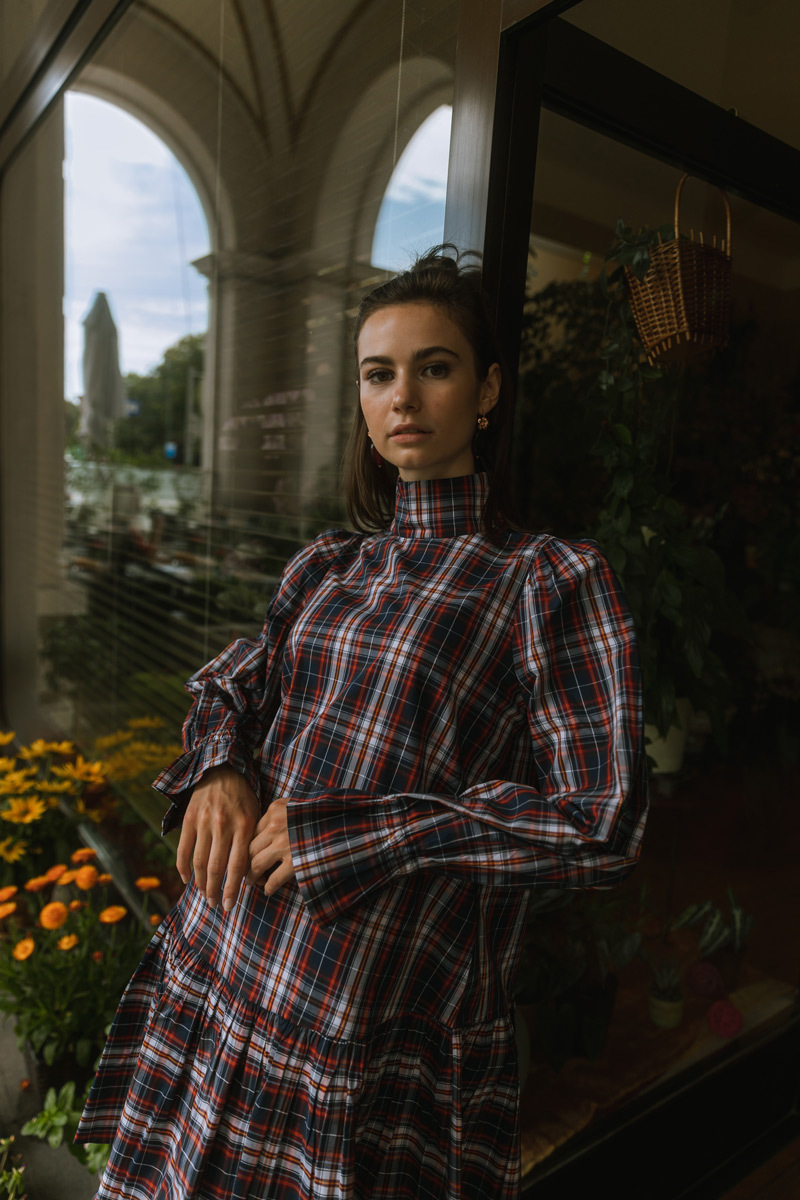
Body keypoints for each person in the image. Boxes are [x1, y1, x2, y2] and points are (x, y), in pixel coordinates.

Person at [77, 246, 648, 1200]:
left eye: (435, 367)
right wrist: (219, 771)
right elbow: (228, 688)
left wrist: (368, 834)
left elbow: (601, 822)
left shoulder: (544, 580)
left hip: (372, 1030)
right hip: (224, 968)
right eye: (379, 374)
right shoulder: (328, 566)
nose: (404, 397)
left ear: (488, 389)